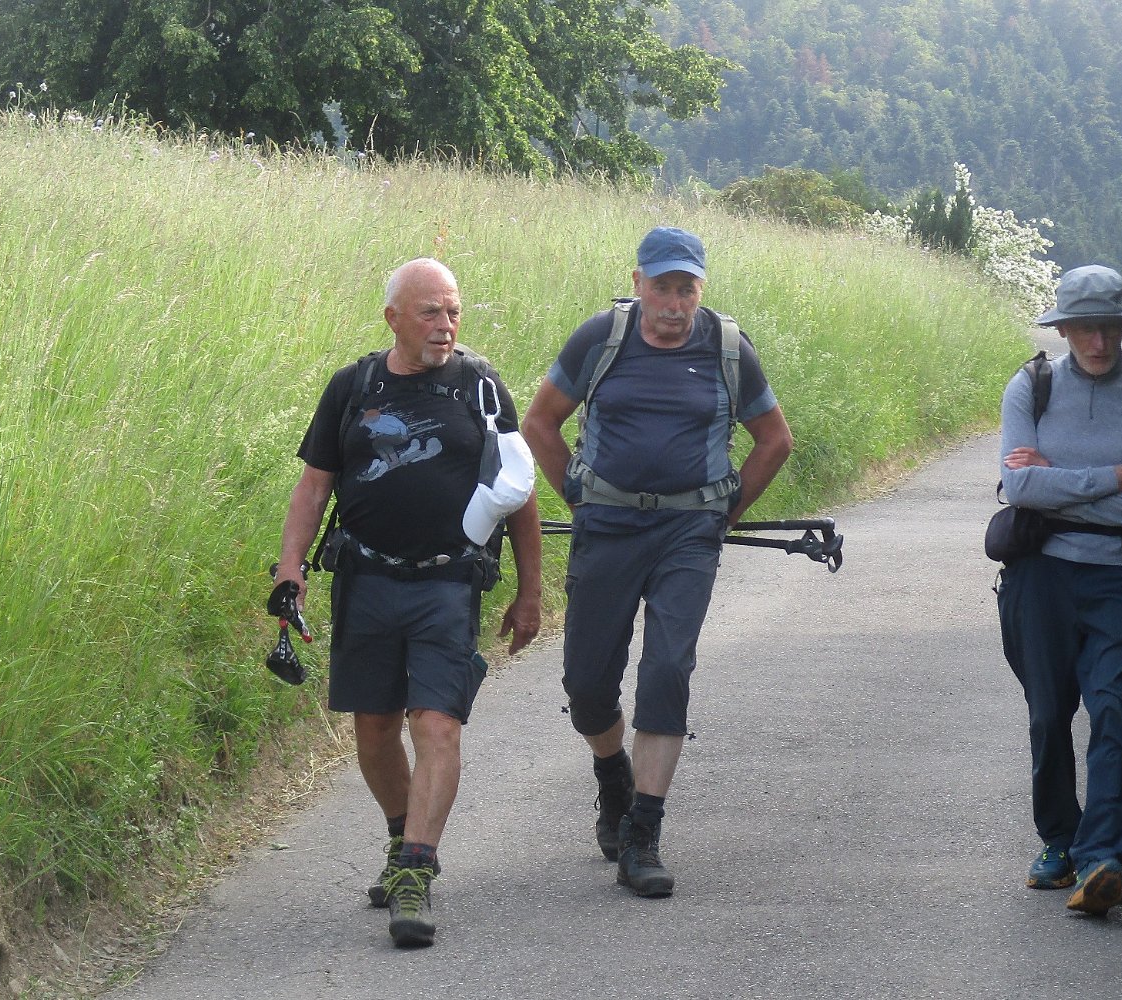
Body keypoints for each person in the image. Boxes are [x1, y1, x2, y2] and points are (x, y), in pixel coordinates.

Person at [273, 257, 543, 947]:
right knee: (373, 730)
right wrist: (291, 567)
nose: (445, 325)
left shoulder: (481, 387)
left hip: (449, 584)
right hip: (365, 580)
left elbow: (519, 493)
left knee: (437, 725)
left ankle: (416, 872)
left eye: (453, 311)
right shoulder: (352, 387)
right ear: (393, 318)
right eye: (430, 312)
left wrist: (529, 592)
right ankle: (401, 838)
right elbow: (314, 486)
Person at [521, 226, 793, 897]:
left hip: (686, 533)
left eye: (686, 290)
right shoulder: (600, 339)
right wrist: (579, 497)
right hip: (607, 527)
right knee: (587, 687)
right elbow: (539, 423)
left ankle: (642, 834)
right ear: (638, 282)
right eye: (663, 288)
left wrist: (721, 515)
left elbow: (773, 440)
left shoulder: (727, 348)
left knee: (668, 668)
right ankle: (612, 774)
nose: (674, 304)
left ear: (700, 289)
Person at [996, 264, 1122, 916]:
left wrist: (1060, 480)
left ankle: (1102, 856)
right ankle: (1058, 839)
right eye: (1084, 328)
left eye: (1108, 327)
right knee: (1048, 715)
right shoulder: (1031, 385)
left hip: (1119, 581)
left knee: (1112, 710)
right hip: (1038, 578)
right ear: (1063, 329)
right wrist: (1116, 475)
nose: (1098, 342)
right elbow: (1020, 488)